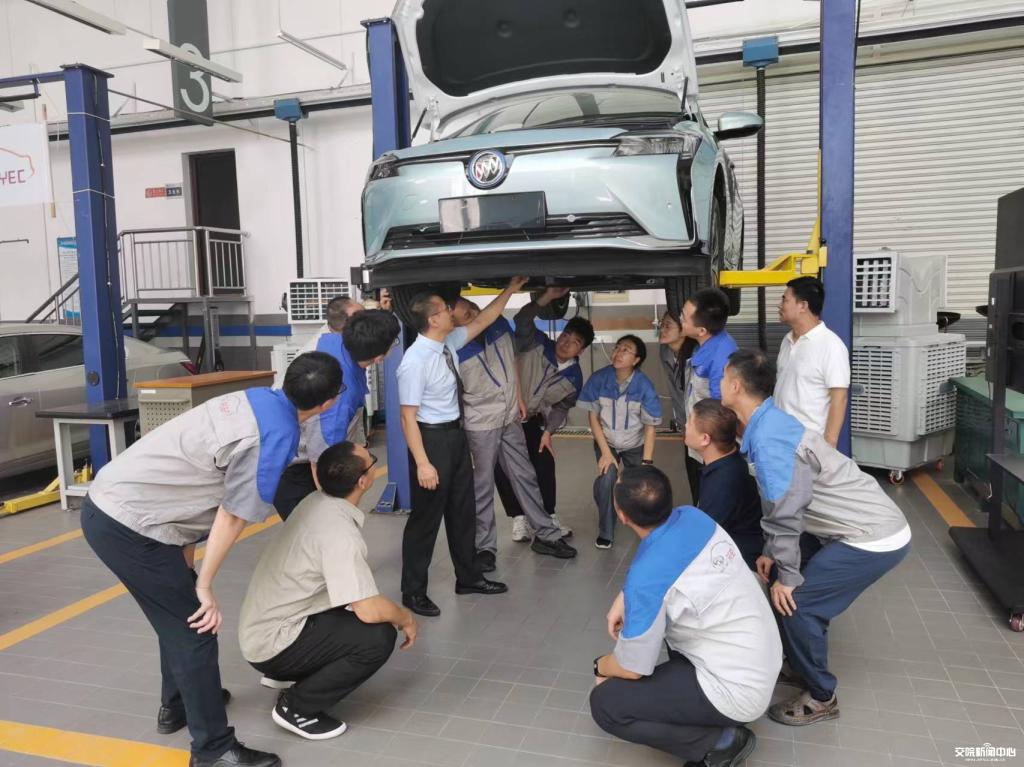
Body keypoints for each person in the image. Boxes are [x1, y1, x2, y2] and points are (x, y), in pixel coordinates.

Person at [80, 352, 343, 767]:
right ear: (328, 403)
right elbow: (233, 514)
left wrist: (189, 571)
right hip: (130, 525)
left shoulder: (256, 399)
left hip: (121, 504)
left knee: (179, 616)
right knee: (197, 629)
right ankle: (213, 750)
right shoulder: (275, 435)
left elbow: (190, 487)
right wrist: (204, 586)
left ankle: (178, 705)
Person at [721, 348, 911, 726]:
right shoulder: (767, 423)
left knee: (799, 602)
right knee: (781, 580)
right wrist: (774, 553)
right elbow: (782, 505)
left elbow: (787, 509)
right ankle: (799, 663)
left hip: (872, 534)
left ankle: (822, 697)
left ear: (737, 386)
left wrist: (789, 575)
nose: (720, 383)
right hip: (849, 524)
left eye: (724, 377)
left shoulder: (770, 438)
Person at [589, 466, 781, 766]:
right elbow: (659, 562)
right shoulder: (693, 517)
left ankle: (720, 743)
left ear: (622, 516)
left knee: (606, 703)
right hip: (761, 656)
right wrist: (625, 596)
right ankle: (710, 718)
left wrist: (600, 665)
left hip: (736, 690)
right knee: (669, 623)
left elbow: (631, 668)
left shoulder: (647, 579)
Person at [239, 441, 417, 741]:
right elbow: (369, 610)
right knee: (378, 636)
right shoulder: (339, 534)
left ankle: (287, 673)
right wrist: (406, 618)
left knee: (347, 607)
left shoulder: (315, 502)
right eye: (371, 459)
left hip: (264, 626)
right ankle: (297, 708)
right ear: (363, 481)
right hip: (273, 642)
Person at [397, 279, 528, 617]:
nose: (451, 312)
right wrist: (423, 463)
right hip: (431, 441)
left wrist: (510, 289)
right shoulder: (415, 361)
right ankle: (413, 592)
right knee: (426, 520)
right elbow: (407, 418)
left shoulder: (448, 343)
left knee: (462, 510)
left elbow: (484, 319)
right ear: (433, 319)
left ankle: (468, 578)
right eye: (445, 309)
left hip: (455, 436)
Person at [450, 297, 577, 570]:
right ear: (455, 325)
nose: (475, 314)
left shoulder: (498, 325)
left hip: (509, 417)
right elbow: (455, 391)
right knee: (482, 486)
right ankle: (484, 548)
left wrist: (518, 396)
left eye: (473, 307)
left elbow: (513, 363)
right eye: (467, 315)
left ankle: (546, 535)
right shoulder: (453, 345)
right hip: (480, 422)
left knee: (525, 476)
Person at [274, 310, 401, 520]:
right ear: (379, 358)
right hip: (295, 469)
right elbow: (322, 460)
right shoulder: (338, 394)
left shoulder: (334, 341)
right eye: (394, 342)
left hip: (298, 451)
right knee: (318, 530)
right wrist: (334, 511)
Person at [495, 288, 594, 541]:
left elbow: (562, 407)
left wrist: (549, 431)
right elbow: (522, 319)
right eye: (566, 335)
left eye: (575, 342)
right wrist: (547, 297)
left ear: (581, 351)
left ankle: (549, 515)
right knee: (503, 467)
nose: (566, 342)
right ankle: (519, 518)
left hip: (532, 420)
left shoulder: (574, 377)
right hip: (505, 416)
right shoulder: (536, 342)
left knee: (544, 463)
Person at [578, 334, 661, 549]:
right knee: (607, 478)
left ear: (636, 360)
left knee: (639, 485)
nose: (618, 353)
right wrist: (606, 453)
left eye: (626, 350)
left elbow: (650, 426)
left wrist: (647, 462)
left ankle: (641, 522)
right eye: (617, 348)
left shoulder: (645, 386)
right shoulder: (599, 379)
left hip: (635, 444)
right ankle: (606, 530)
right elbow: (593, 418)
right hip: (607, 442)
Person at [683, 398, 763, 570]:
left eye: (689, 422)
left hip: (738, 562)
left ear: (705, 439)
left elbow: (703, 536)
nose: (685, 426)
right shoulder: (728, 461)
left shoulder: (723, 482)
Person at [775, 276, 850, 447]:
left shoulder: (831, 345)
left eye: (785, 300)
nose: (780, 305)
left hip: (807, 445)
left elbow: (839, 397)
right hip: (780, 440)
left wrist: (829, 446)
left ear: (803, 306)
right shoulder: (787, 340)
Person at [679, 287, 738, 504]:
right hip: (700, 439)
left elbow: (721, 410)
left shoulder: (721, 355)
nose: (680, 320)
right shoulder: (707, 344)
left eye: (684, 318)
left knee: (708, 499)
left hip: (710, 445)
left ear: (702, 330)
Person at [657, 310, 693, 434]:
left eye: (667, 326)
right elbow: (674, 391)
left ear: (684, 330)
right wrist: (682, 422)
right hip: (685, 423)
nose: (662, 329)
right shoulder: (665, 350)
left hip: (703, 423)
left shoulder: (696, 356)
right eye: (661, 324)